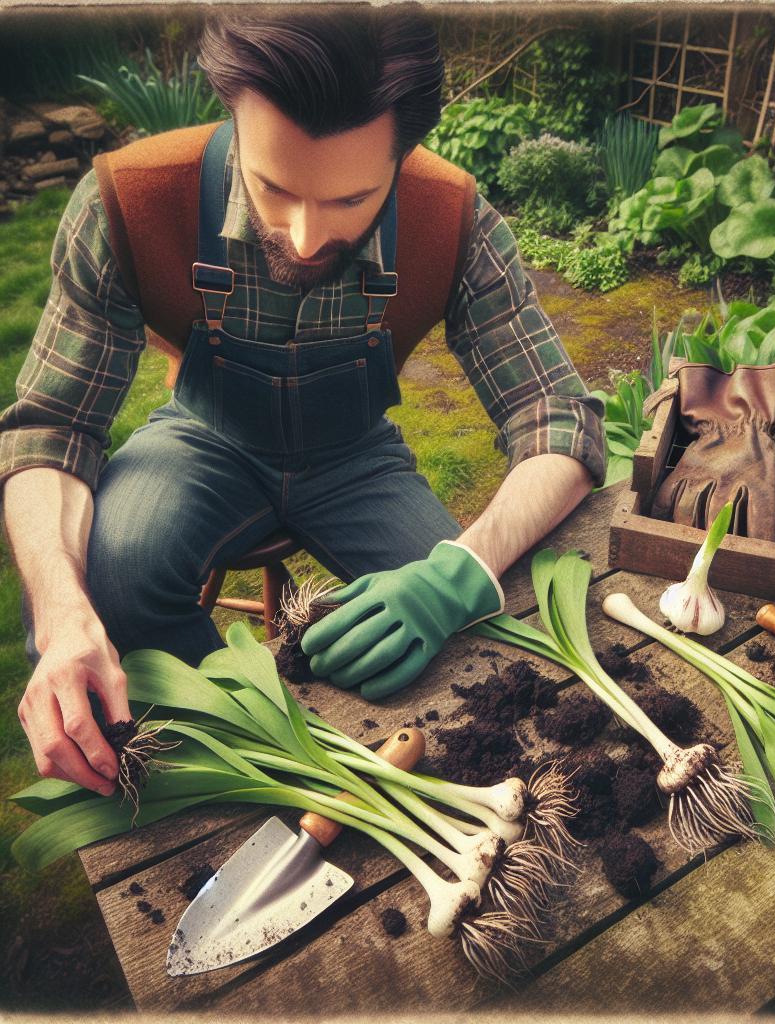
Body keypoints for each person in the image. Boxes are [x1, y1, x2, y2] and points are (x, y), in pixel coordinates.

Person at [0, 9, 606, 799]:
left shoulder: (453, 217)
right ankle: (250, 775)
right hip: (202, 440)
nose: (305, 234)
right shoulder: (127, 200)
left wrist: (459, 573)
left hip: (358, 458)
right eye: (271, 185)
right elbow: (52, 427)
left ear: (404, 152)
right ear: (231, 112)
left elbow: (559, 419)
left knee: (488, 652)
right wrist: (60, 615)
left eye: (351, 199)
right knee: (102, 589)